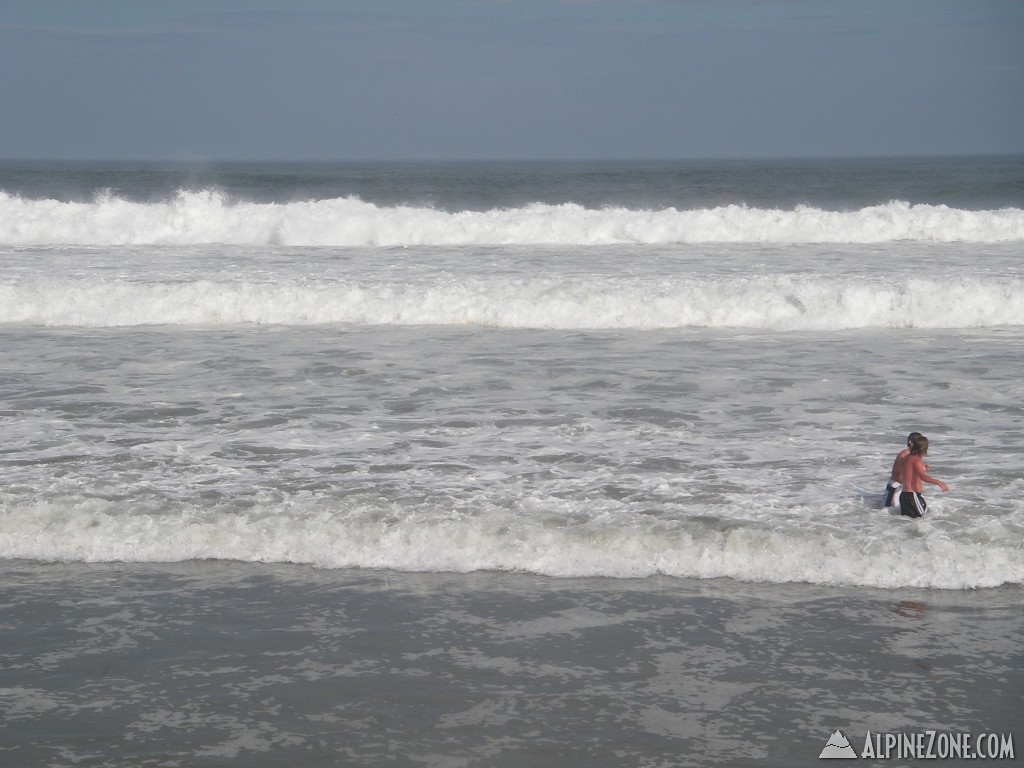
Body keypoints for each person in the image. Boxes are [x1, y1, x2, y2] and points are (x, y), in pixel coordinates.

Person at [898, 434, 949, 519]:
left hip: (904, 496)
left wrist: (922, 468)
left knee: (908, 522)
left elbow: (909, 473)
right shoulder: (916, 460)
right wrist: (938, 482)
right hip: (912, 496)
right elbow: (922, 477)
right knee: (924, 519)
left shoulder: (907, 458)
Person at [882, 432, 923, 507]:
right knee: (891, 512)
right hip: (896, 487)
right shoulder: (903, 455)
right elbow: (895, 475)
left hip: (907, 488)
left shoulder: (916, 455)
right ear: (911, 442)